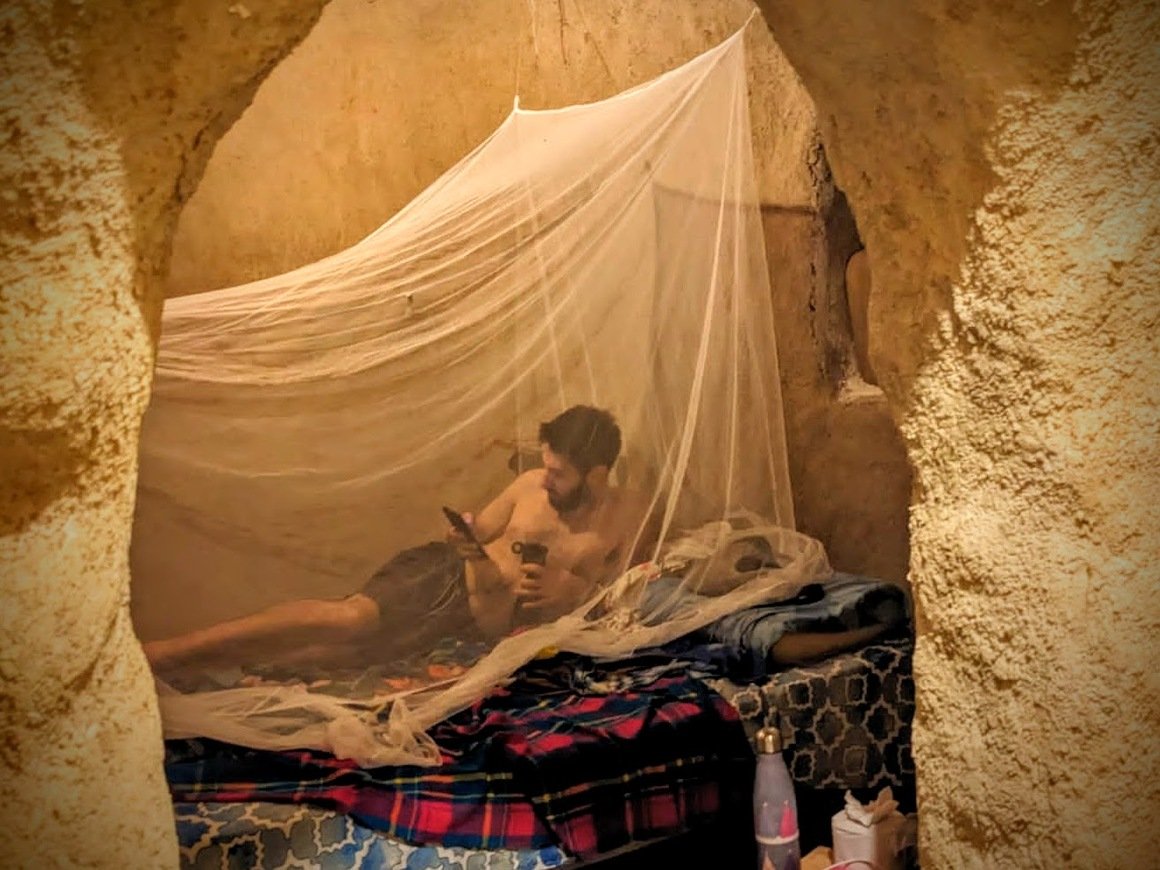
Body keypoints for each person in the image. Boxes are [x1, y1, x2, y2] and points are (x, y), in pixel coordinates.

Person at [144, 405, 651, 673]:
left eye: (559, 474)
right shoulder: (528, 487)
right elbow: (478, 532)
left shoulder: (625, 518)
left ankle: (193, 671)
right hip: (443, 579)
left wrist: (576, 594)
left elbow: (635, 590)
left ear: (598, 475)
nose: (545, 479)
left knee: (322, 655)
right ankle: (166, 651)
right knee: (345, 618)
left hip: (471, 624)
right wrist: (465, 534)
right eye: (546, 466)